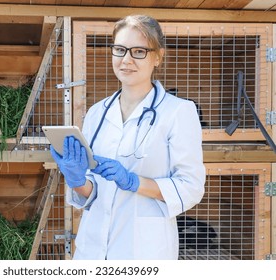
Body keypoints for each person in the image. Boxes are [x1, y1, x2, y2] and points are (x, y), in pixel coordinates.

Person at [50, 14, 205, 260]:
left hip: (144, 251)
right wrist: (76, 179)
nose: (126, 60)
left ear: (158, 56)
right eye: (120, 50)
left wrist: (134, 182)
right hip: (91, 250)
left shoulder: (178, 112)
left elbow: (191, 188)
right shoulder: (97, 113)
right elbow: (91, 194)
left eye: (139, 51)